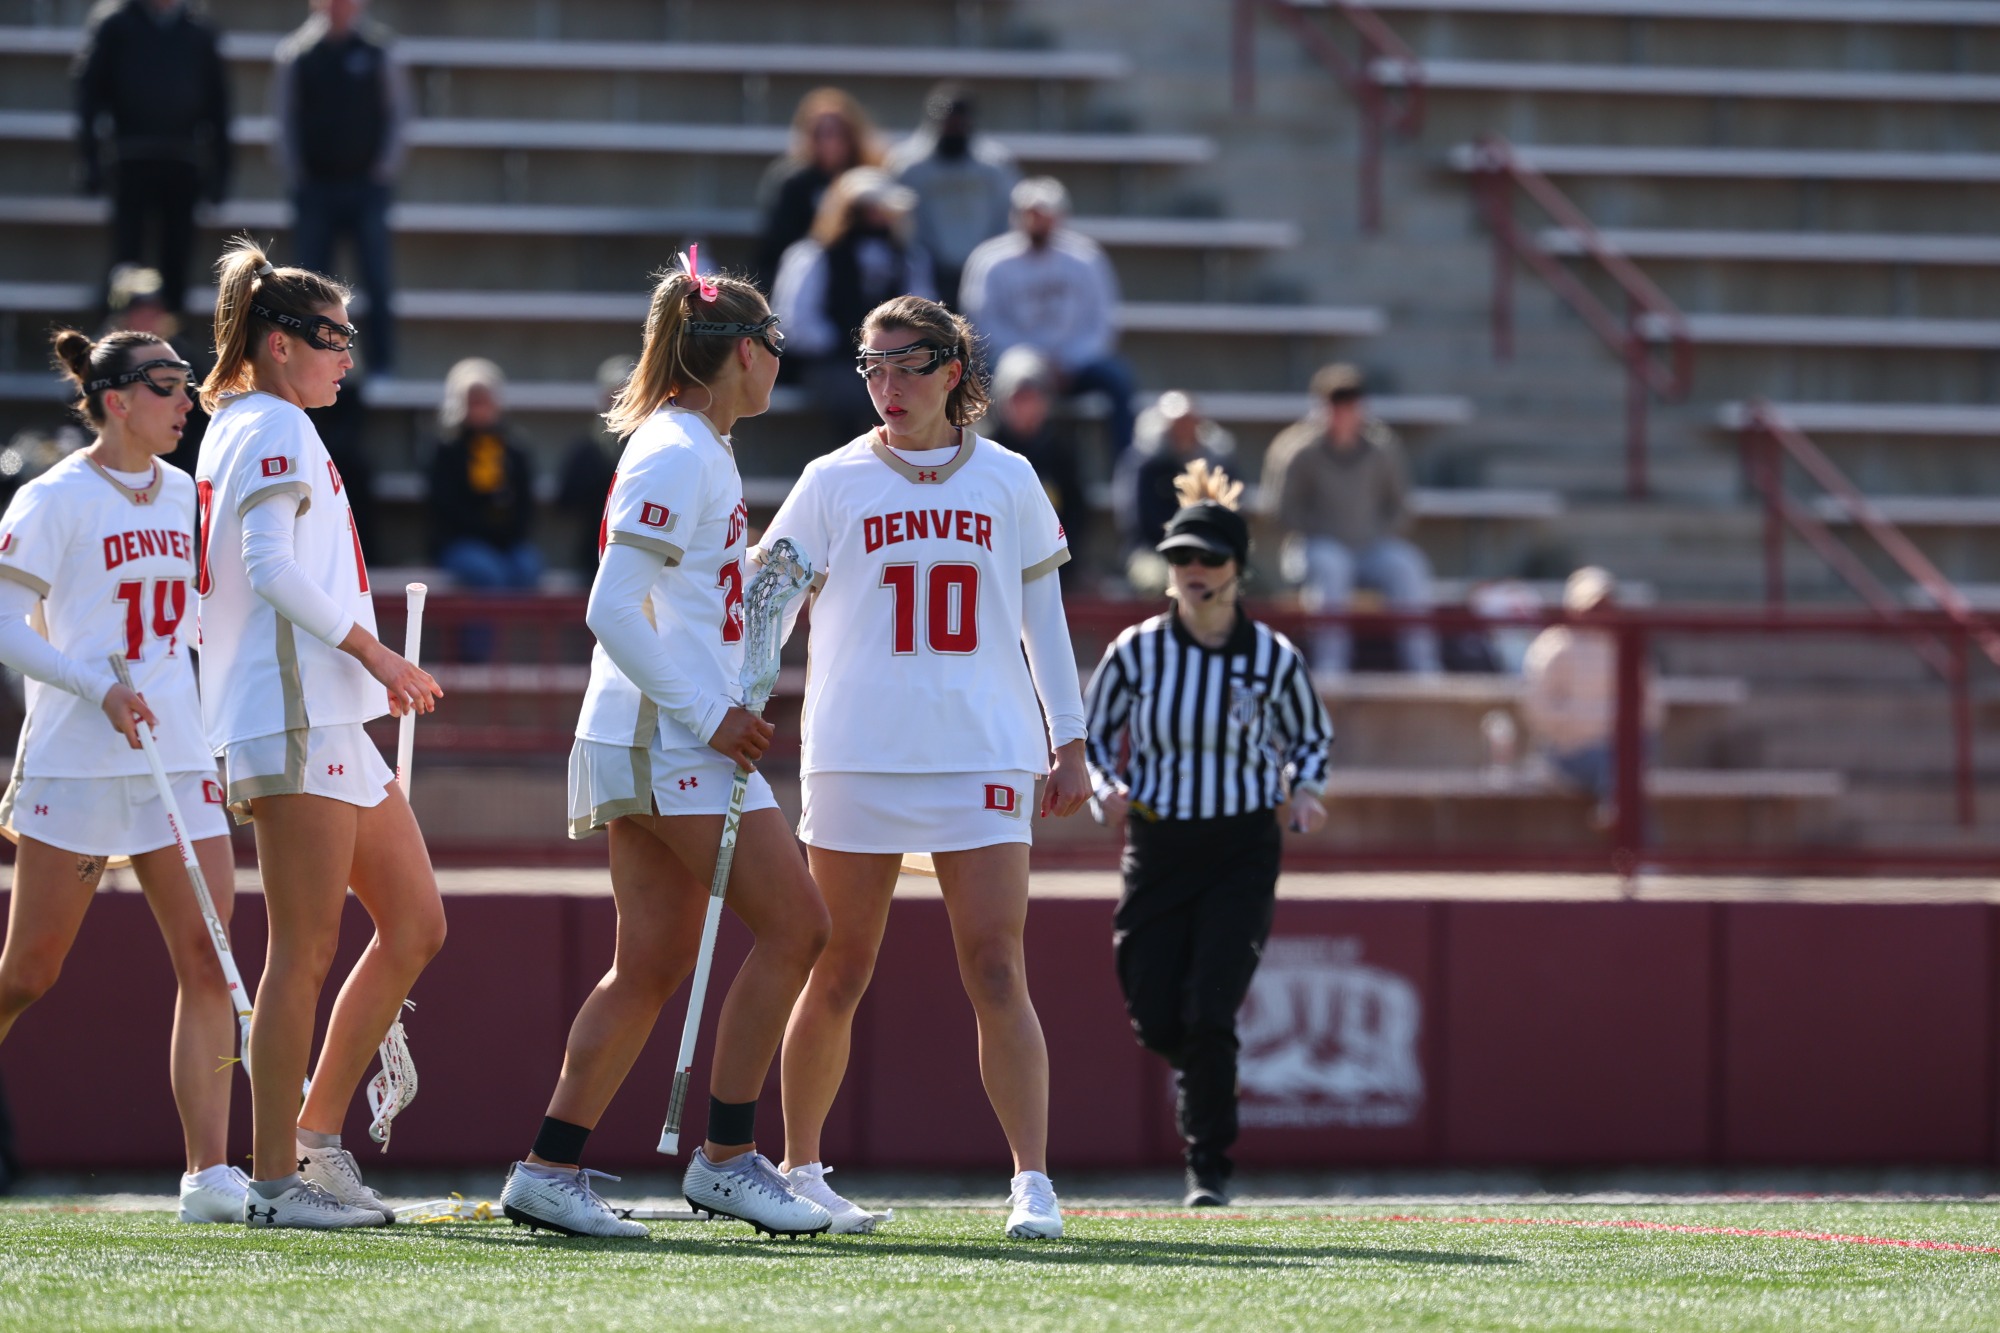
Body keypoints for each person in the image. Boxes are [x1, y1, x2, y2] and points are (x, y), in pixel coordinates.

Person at [496, 257, 833, 1240]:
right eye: (773, 346)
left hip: (651, 732)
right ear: (740, 351)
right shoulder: (680, 449)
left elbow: (677, 599)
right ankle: (726, 1155)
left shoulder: (699, 447)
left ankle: (549, 1165)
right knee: (799, 925)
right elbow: (611, 606)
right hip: (662, 735)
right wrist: (709, 711)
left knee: (646, 965)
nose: (780, 363)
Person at [762, 295, 1092, 1240]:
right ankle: (801, 1167)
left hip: (981, 748)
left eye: (906, 365)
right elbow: (766, 604)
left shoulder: (1011, 478)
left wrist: (1066, 738)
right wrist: (727, 695)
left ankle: (1032, 1178)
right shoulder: (830, 479)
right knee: (838, 965)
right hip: (857, 750)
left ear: (953, 371)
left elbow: (1045, 619)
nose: (886, 386)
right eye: (871, 367)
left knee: (996, 964)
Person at [195, 240, 444, 1228]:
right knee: (301, 947)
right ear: (278, 342)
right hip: (293, 703)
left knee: (417, 921)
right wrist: (378, 654)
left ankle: (315, 1136)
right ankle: (271, 1181)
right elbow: (267, 567)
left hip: (321, 710)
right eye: (332, 336)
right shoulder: (269, 427)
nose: (348, 353)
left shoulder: (257, 423)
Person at [0, 326, 244, 1223]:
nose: (187, 402)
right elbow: (5, 623)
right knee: (29, 971)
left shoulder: (186, 493)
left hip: (175, 754)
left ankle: (209, 1174)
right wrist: (93, 681)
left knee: (210, 957)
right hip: (80, 755)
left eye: (187, 385)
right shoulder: (53, 497)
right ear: (115, 400)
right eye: (168, 387)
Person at [1081, 460, 1333, 1208]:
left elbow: (1309, 738)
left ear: (1237, 570)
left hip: (1242, 847)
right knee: (1155, 1009)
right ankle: (1201, 1078)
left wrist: (1309, 791)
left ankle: (1209, 1167)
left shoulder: (1272, 659)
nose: (1193, 570)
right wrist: (1106, 789)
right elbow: (1093, 740)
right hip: (1159, 845)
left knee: (1210, 1009)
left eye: (1208, 558)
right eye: (1181, 558)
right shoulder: (1137, 651)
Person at [1262, 363, 1440, 677]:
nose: (1343, 413)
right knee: (1333, 565)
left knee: (1407, 565)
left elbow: (1401, 508)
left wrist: (1374, 532)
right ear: (1321, 408)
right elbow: (1281, 511)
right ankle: (1332, 672)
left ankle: (1424, 671)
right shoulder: (1297, 451)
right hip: (1313, 549)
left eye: (1350, 404)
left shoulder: (1383, 450)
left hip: (1369, 549)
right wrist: (1323, 531)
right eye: (1336, 405)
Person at [271, 0, 412, 375]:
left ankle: (381, 364)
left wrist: (383, 169)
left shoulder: (378, 52)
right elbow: (285, 117)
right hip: (315, 188)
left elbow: (396, 112)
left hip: (366, 187)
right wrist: (297, 172)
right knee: (311, 289)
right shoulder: (297, 54)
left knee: (376, 279)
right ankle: (312, 361)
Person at [74, 0, 233, 317]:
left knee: (177, 257)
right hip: (130, 157)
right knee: (126, 257)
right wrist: (89, 158)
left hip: (183, 161)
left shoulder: (198, 31)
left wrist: (222, 170)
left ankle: (173, 339)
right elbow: (89, 95)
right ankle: (119, 336)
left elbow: (219, 104)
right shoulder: (115, 25)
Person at [959, 177, 1137, 457]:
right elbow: (984, 324)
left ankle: (1126, 467)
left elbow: (1102, 322)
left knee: (1118, 380)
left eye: (1044, 214)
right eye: (1030, 214)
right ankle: (993, 459)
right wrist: (1032, 362)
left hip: (1074, 366)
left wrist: (1067, 361)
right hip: (1013, 364)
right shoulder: (991, 261)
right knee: (986, 381)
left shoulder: (1085, 259)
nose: (1038, 222)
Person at [770, 168, 936, 445]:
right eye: (868, 208)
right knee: (852, 393)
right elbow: (793, 321)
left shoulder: (910, 259)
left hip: (894, 359)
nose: (877, 216)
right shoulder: (813, 257)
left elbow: (925, 314)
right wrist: (850, 345)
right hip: (832, 363)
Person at [1520, 566, 1662, 829]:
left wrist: (1611, 727)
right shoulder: (1553, 648)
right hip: (1571, 752)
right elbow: (1539, 711)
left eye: (1606, 604)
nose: (1602, 613)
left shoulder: (1626, 647)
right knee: (1620, 769)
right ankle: (1636, 850)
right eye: (1594, 605)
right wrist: (1600, 724)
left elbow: (1651, 709)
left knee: (1627, 759)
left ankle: (1621, 820)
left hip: (1623, 748)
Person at [886, 82, 1018, 308]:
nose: (953, 127)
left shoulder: (995, 165)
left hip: (982, 266)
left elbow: (1008, 215)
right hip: (925, 269)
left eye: (959, 121)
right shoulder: (907, 165)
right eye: (947, 121)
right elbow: (896, 218)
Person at [427, 358, 542, 591]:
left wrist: (505, 533)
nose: (480, 408)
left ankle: (513, 629)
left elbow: (525, 505)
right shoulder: (447, 450)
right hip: (460, 542)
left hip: (508, 543)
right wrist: (486, 530)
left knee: (528, 567)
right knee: (489, 574)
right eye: (473, 402)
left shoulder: (514, 449)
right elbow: (446, 507)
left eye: (485, 401)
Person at [755, 88, 884, 293]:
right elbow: (779, 243)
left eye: (838, 133)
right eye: (821, 133)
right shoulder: (794, 183)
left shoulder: (869, 178)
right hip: (810, 282)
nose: (830, 142)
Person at [1113, 390, 1235, 595]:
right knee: (1156, 582)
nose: (1184, 429)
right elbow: (1137, 520)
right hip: (1154, 550)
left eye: (1190, 422)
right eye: (1177, 423)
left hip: (1210, 549)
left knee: (1241, 580)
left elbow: (1230, 514)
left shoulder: (1216, 464)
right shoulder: (1144, 465)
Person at [986, 346, 1084, 585]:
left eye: (1033, 398)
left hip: (1050, 564)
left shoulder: (1060, 454)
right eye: (1018, 398)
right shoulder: (985, 451)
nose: (1026, 408)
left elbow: (1074, 512)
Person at [555, 354, 632, 574]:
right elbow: (566, 502)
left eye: (627, 394)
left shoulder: (654, 444)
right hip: (595, 551)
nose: (620, 400)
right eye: (614, 393)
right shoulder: (586, 448)